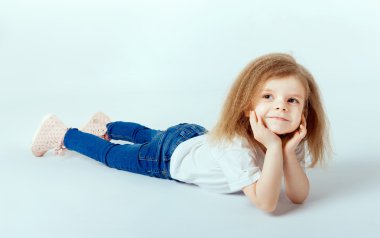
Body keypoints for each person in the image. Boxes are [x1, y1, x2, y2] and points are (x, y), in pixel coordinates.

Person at [31, 53, 332, 213]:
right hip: (168, 159)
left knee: (148, 133)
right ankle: (62, 132)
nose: (281, 107)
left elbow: (297, 196)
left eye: (292, 100)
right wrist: (274, 147)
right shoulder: (238, 146)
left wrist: (286, 151)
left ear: (304, 113)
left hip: (192, 136)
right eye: (268, 97)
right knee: (113, 155)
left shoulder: (287, 140)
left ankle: (106, 126)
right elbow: (267, 204)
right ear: (246, 107)